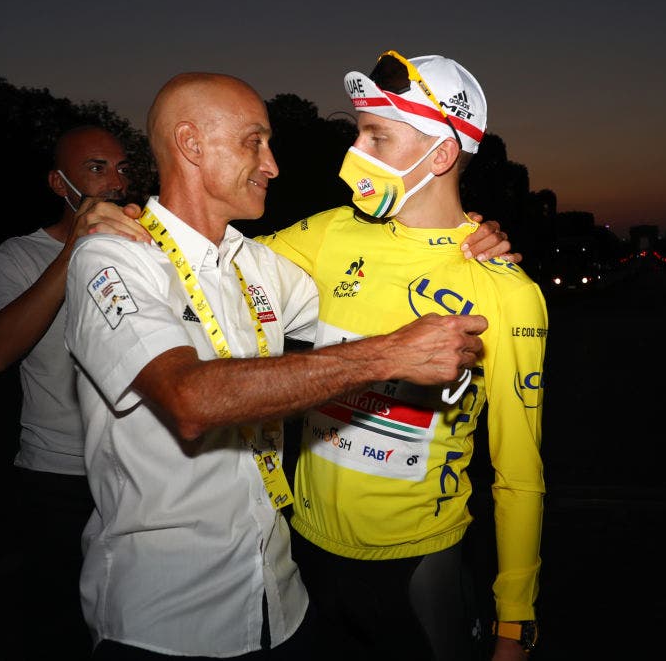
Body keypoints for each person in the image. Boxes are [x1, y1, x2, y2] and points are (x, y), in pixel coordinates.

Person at [63, 72, 492, 660]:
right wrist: (389, 354)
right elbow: (190, 401)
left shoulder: (257, 264)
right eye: (253, 142)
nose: (272, 165)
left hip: (283, 604)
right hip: (163, 622)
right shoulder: (113, 257)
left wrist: (467, 245)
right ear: (191, 145)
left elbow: (376, 295)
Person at [264, 51, 547, 661]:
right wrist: (134, 225)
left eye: (377, 135)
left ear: (441, 155)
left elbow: (519, 475)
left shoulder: (506, 289)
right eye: (358, 132)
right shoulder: (330, 233)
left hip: (420, 567)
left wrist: (514, 623)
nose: (356, 152)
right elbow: (210, 268)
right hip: (301, 553)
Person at [0, 125, 146, 660]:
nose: (115, 182)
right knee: (59, 626)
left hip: (138, 473)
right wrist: (77, 247)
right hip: (59, 477)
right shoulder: (21, 255)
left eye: (122, 168)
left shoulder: (146, 251)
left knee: (135, 624)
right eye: (97, 168)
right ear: (58, 182)